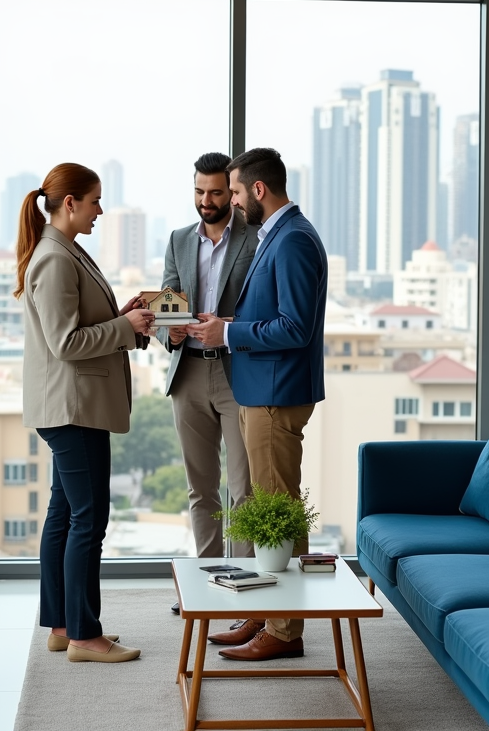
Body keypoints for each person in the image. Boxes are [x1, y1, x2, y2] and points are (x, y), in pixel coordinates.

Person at [187, 147, 328, 661]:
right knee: (271, 508)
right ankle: (267, 612)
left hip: (275, 393)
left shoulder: (291, 240)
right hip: (261, 391)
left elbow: (295, 326)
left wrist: (228, 332)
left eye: (238, 190)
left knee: (277, 512)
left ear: (258, 190)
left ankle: (285, 631)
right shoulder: (280, 235)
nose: (235, 200)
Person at [17, 162, 154, 664]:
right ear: (69, 202)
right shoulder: (54, 259)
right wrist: (124, 327)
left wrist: (126, 320)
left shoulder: (66, 250)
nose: (101, 210)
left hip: (73, 405)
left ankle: (61, 626)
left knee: (64, 513)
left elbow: (85, 327)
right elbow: (66, 342)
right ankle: (84, 636)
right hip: (73, 409)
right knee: (88, 518)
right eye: (95, 201)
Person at [159, 152, 260, 614]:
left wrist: (228, 324)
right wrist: (169, 329)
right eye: (199, 192)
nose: (207, 200)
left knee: (244, 488)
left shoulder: (255, 239)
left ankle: (241, 590)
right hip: (189, 372)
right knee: (201, 488)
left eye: (217, 192)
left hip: (238, 371)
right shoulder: (179, 240)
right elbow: (167, 303)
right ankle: (204, 585)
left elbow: (263, 307)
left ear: (231, 192)